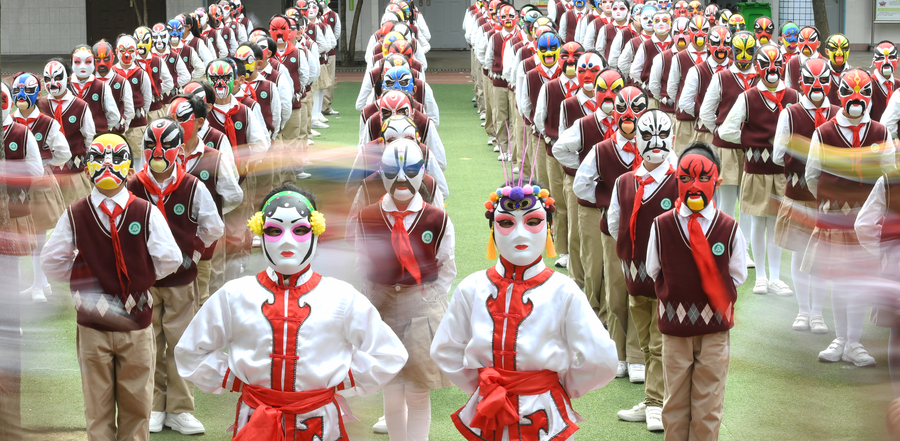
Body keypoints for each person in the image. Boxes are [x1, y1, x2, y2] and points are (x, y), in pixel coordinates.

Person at [175, 184, 408, 440]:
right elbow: (189, 351)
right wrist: (233, 380)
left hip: (319, 423)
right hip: (256, 422)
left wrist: (342, 379)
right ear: (260, 233)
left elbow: (390, 354)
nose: (287, 240)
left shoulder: (341, 296)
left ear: (315, 233)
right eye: (275, 230)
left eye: (299, 230)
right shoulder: (235, 295)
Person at [430, 175, 618, 441]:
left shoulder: (560, 290)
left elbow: (603, 358)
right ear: (492, 230)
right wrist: (562, 387)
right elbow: (601, 360)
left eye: (532, 222)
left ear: (549, 228)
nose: (520, 233)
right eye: (506, 223)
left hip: (515, 410)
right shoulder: (560, 289)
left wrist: (482, 385)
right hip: (515, 407)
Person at [42, 133, 182, 441]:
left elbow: (169, 258)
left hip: (135, 323)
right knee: (98, 408)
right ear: (89, 167)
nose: (107, 164)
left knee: (137, 407)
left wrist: (140, 279)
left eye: (117, 158)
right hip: (94, 327)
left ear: (130, 167)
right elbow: (51, 262)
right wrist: (83, 277)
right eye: (99, 158)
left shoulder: (144, 212)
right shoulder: (75, 214)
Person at [127, 117, 224, 435]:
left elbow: (213, 227)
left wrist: (193, 253)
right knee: (148, 343)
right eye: (151, 145)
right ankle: (154, 406)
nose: (158, 152)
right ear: (142, 149)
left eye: (166, 146)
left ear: (179, 150)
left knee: (182, 343)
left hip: (181, 281)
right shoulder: (133, 186)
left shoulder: (191, 186)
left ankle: (180, 408)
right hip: (145, 282)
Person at [354, 138, 455, 441]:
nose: (400, 179)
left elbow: (446, 263)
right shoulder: (366, 215)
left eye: (409, 170)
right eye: (392, 170)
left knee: (418, 391)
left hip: (420, 304)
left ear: (421, 172)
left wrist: (431, 299)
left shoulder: (437, 218)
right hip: (381, 306)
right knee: (392, 389)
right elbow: (362, 262)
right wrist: (372, 300)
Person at [647, 141, 748, 440]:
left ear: (716, 181)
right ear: (677, 179)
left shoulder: (729, 228)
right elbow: (655, 269)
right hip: (675, 330)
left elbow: (737, 274)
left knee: (709, 403)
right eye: (686, 177)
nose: (694, 186)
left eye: (704, 178)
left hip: (715, 330)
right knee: (674, 403)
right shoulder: (662, 226)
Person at [804, 68, 894, 367]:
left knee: (859, 282)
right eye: (850, 93)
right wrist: (833, 205)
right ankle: (841, 338)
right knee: (838, 282)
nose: (856, 101)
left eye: (863, 94)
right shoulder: (824, 132)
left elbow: (889, 174)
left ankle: (854, 341)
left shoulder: (881, 132)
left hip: (866, 220)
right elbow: (812, 174)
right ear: (840, 94)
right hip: (833, 218)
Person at [608, 110, 677, 432]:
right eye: (647, 136)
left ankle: (657, 403)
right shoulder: (625, 182)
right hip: (636, 276)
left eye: (662, 135)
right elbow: (613, 221)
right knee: (648, 341)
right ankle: (655, 398)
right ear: (637, 140)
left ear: (672, 138)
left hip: (669, 277)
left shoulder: (680, 182)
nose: (655, 143)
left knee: (661, 340)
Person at [574, 86, 648, 382]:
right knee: (616, 288)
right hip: (613, 228)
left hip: (647, 230)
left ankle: (638, 354)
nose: (630, 117)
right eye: (624, 110)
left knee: (642, 288)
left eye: (637, 110)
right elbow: (581, 185)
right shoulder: (601, 149)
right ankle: (617, 351)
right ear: (614, 113)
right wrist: (606, 200)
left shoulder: (655, 147)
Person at [719, 43, 798, 296]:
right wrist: (749, 143)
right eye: (766, 64)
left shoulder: (793, 96)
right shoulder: (748, 96)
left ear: (783, 65)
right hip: (756, 169)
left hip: (782, 170)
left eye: (777, 64)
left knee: (776, 224)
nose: (772, 70)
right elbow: (725, 130)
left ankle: (775, 276)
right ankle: (761, 277)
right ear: (758, 66)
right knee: (756, 222)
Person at [772, 58, 839, 333]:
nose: (816, 86)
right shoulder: (791, 113)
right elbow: (777, 155)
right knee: (802, 254)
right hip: (803, 195)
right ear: (801, 82)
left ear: (831, 82)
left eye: (822, 80)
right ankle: (805, 311)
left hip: (821, 197)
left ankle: (815, 313)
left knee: (819, 256)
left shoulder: (837, 113)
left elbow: (779, 157)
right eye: (811, 81)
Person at [168, 94, 242, 305]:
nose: (175, 126)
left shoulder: (214, 157)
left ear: (200, 122)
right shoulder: (161, 156)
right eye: (171, 119)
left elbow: (233, 195)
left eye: (181, 120)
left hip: (203, 243)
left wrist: (210, 215)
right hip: (168, 245)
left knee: (204, 296)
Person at [11, 73, 71, 303]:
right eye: (17, 91)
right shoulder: (9, 122)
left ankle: (38, 285)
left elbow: (64, 153)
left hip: (38, 186)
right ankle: (40, 283)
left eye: (27, 91)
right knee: (17, 236)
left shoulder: (47, 123)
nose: (22, 96)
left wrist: (44, 163)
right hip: (14, 187)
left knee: (38, 236)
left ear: (37, 94)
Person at [38, 58, 96, 206]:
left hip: (75, 172)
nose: (52, 83)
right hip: (48, 174)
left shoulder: (81, 106)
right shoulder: (40, 105)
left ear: (68, 79)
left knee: (76, 215)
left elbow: (89, 138)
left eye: (58, 78)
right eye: (47, 79)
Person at [114, 34, 153, 169]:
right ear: (116, 51)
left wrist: (140, 113)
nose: (126, 55)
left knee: (138, 162)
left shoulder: (141, 74)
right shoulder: (112, 73)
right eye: (123, 50)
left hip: (137, 125)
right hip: (116, 125)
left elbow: (147, 98)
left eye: (131, 51)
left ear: (136, 52)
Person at [70, 44, 121, 133]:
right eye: (77, 62)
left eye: (88, 62)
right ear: (71, 62)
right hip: (72, 138)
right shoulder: (66, 86)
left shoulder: (102, 87)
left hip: (96, 137)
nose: (82, 66)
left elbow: (114, 116)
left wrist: (100, 127)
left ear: (94, 62)